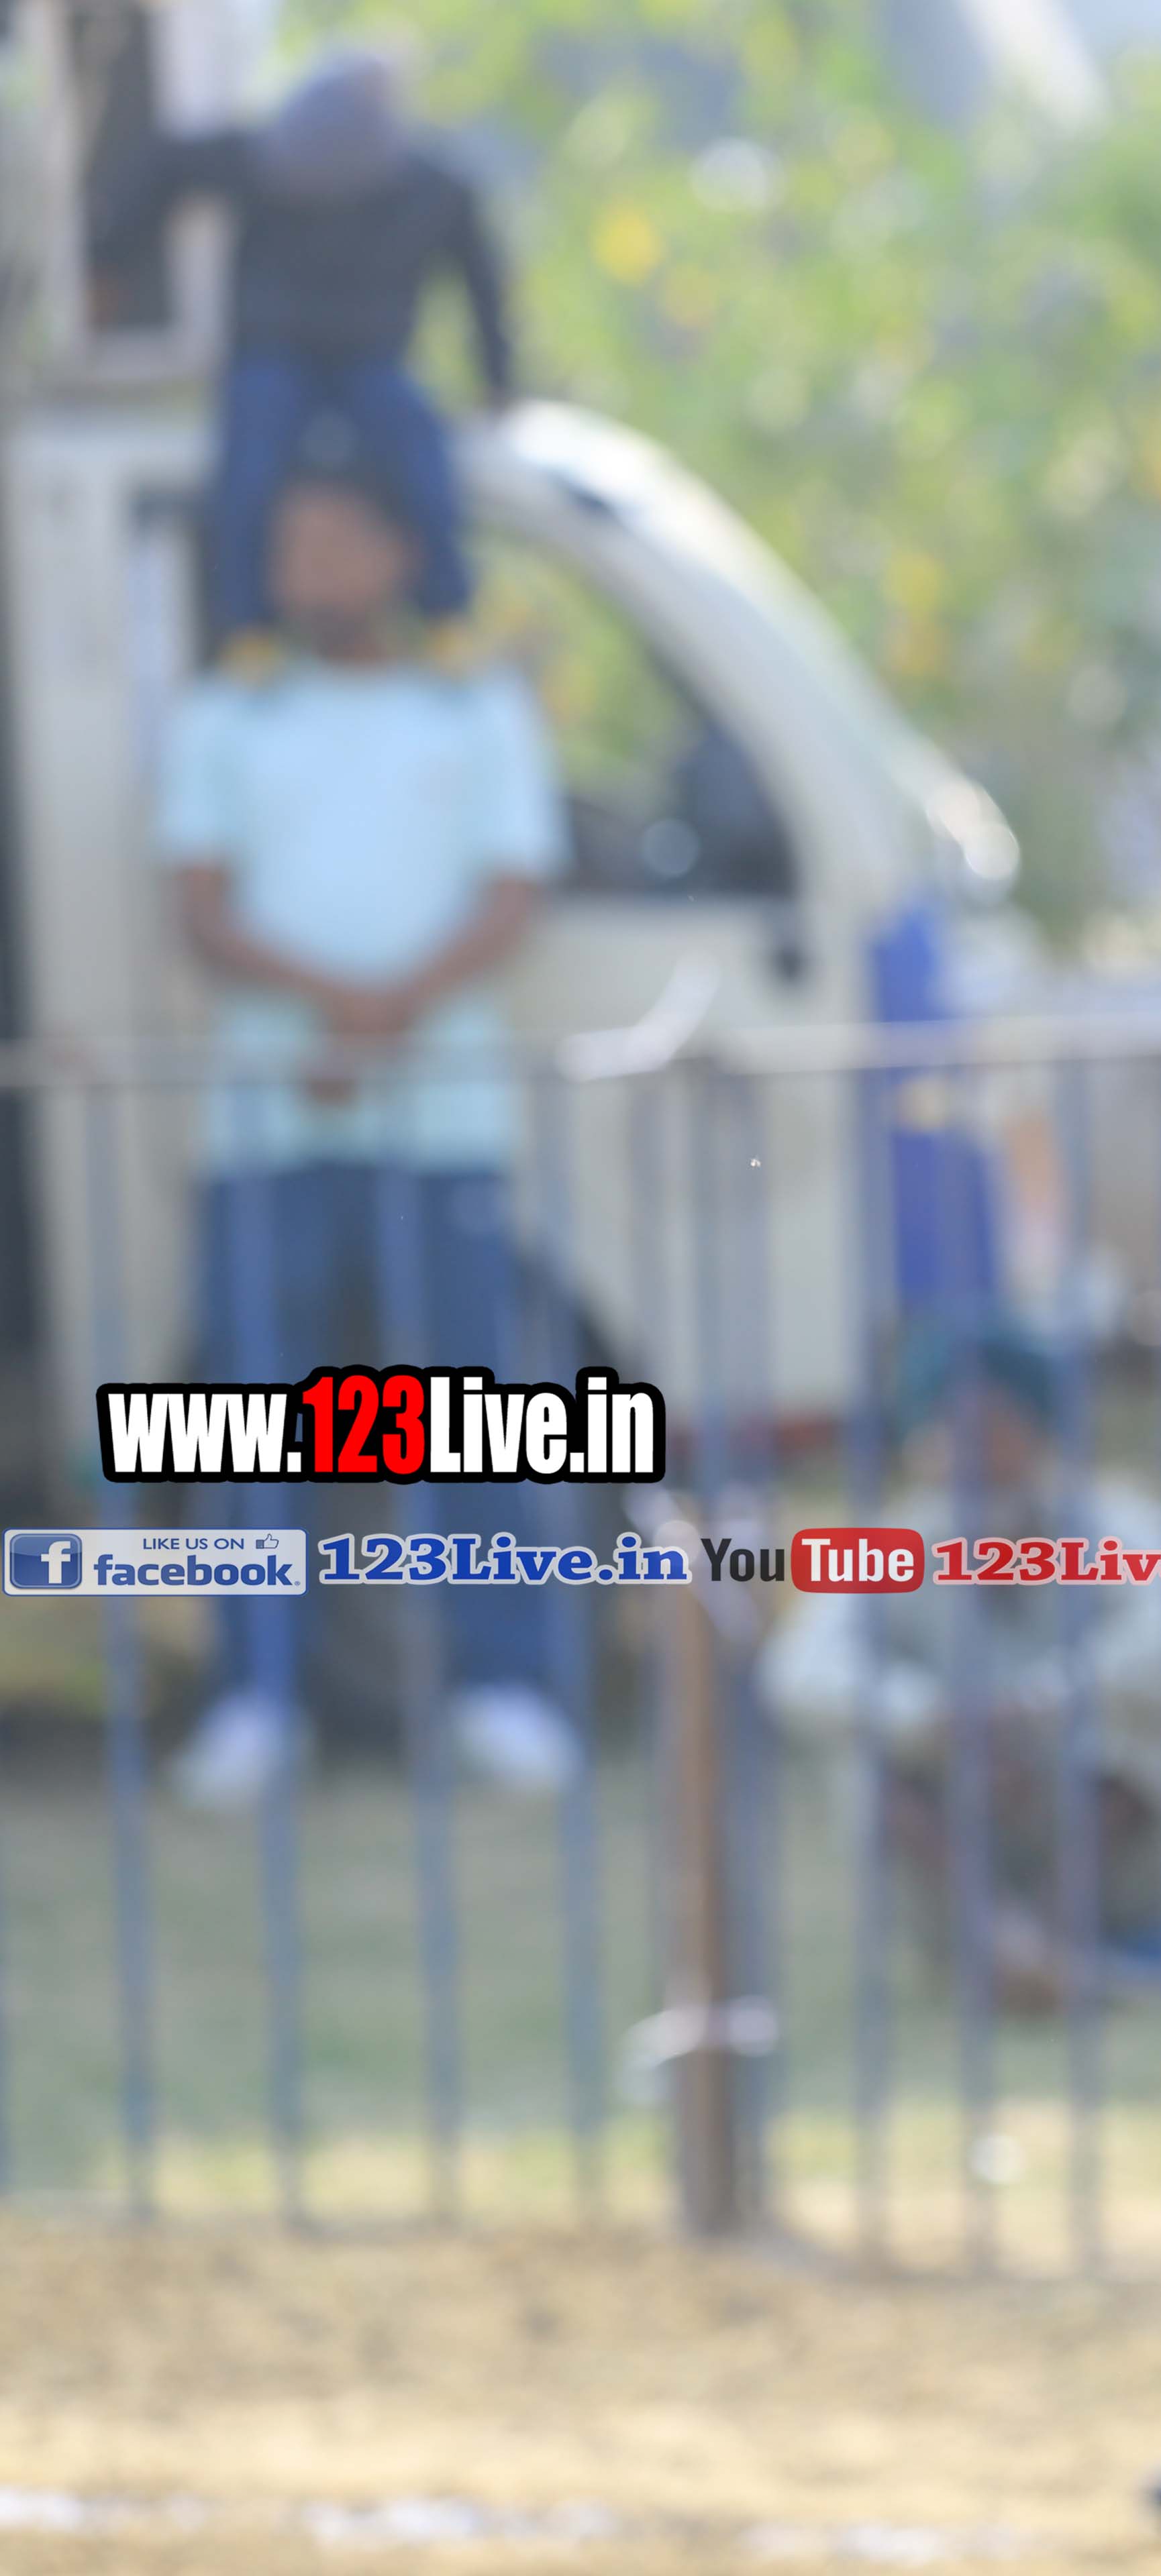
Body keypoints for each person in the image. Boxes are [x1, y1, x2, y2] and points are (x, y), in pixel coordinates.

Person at [162, 459, 566, 1809]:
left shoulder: (475, 710)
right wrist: (341, 1010)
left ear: (401, 554)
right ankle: (255, 1698)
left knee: (468, 1412)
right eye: (291, 543)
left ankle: (504, 1688)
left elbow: (513, 894)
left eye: (337, 540)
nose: (311, 568)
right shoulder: (229, 715)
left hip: (440, 1122)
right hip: (269, 1126)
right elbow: (201, 904)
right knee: (246, 1419)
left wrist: (387, 1014)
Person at [759, 1320, 1161, 2006]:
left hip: (1101, 1830)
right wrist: (931, 1719)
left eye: (994, 1424)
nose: (970, 1449)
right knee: (863, 1765)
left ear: (1039, 1429)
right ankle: (1002, 1939)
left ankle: (1052, 1939)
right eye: (947, 1427)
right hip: (962, 1817)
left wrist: (1047, 1703)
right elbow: (799, 1670)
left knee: (1155, 1728)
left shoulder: (1112, 1522)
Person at [87, 48, 513, 657]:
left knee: (423, 457)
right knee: (246, 469)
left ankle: (447, 612)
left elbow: (482, 279)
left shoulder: (429, 188)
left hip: (371, 359)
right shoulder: (265, 159)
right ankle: (248, 628)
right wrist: (105, 262)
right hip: (274, 352)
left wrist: (498, 377)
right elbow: (165, 165)